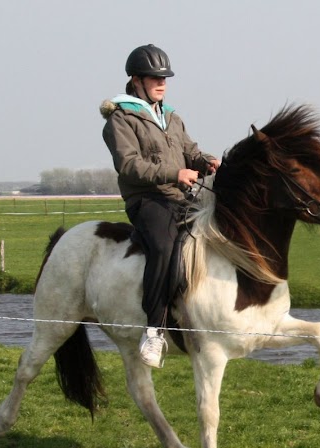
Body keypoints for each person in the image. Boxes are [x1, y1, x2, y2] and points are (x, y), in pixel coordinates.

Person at [100, 44, 220, 368]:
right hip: (146, 200)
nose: (162, 82)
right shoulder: (120, 120)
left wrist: (207, 162)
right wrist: (174, 173)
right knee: (166, 246)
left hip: (179, 197)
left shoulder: (172, 117)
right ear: (137, 80)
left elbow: (190, 151)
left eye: (165, 77)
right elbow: (129, 165)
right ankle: (153, 330)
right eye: (155, 77)